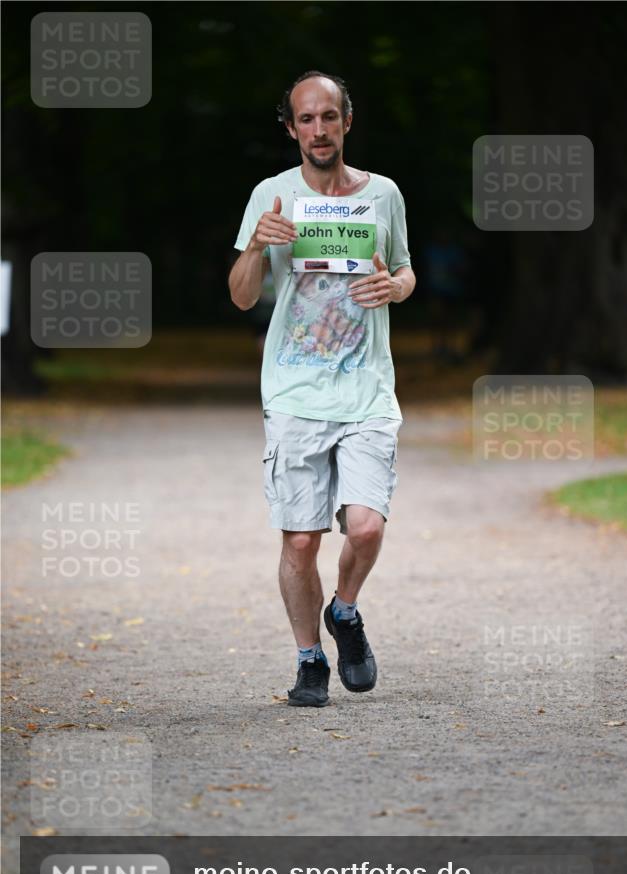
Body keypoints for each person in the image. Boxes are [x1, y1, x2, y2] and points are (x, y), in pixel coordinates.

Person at [229, 70, 415, 708]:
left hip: (366, 386)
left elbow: (405, 269)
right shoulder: (271, 196)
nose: (317, 129)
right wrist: (256, 244)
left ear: (346, 121)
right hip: (294, 391)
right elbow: (242, 293)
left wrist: (394, 288)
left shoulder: (383, 193)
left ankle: (346, 611)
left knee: (364, 528)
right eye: (305, 119)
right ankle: (310, 660)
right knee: (301, 540)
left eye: (328, 117)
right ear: (291, 128)